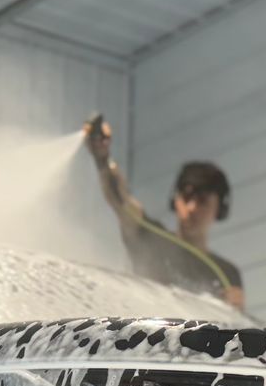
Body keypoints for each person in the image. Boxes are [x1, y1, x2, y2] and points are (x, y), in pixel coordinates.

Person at [83, 117, 245, 310]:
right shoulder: (152, 239)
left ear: (219, 208)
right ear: (175, 200)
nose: (192, 207)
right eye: (186, 197)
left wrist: (237, 310)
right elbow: (121, 201)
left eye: (202, 201)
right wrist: (102, 159)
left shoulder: (227, 274)